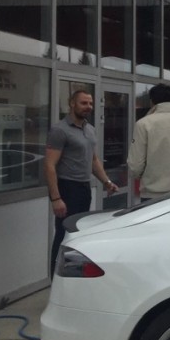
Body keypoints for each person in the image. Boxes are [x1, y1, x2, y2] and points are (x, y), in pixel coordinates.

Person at [44, 90, 118, 272]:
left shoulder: (90, 129)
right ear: (72, 103)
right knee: (64, 235)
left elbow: (93, 160)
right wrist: (56, 198)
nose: (88, 107)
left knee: (79, 235)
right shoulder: (60, 130)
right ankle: (56, 279)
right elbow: (49, 165)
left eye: (90, 104)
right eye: (83, 103)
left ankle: (72, 276)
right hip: (67, 188)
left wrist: (107, 182)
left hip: (84, 188)